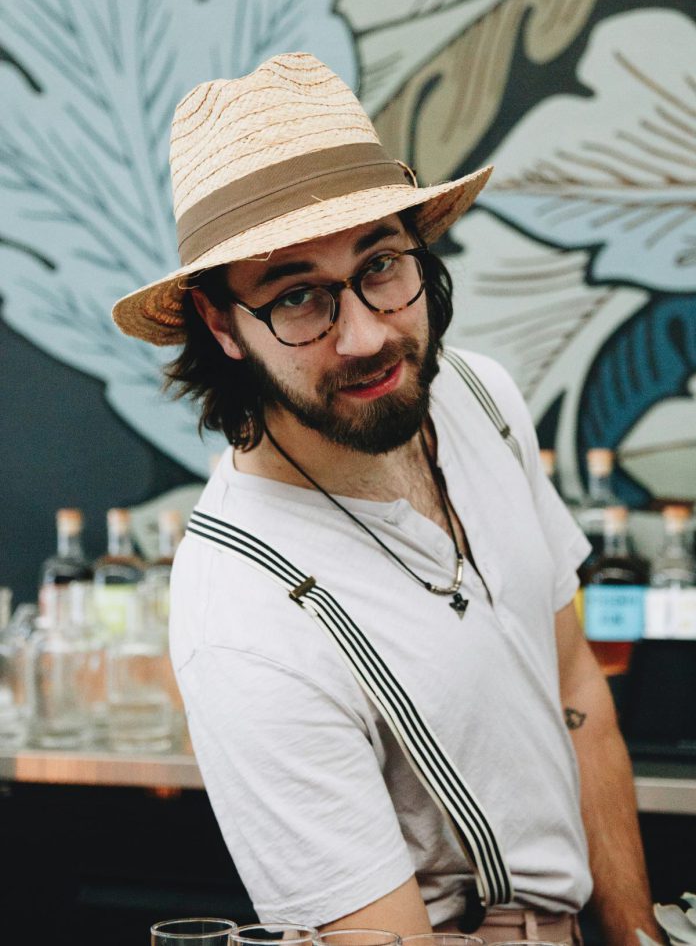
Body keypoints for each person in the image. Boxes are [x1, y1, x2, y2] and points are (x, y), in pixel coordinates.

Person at [113, 52, 660, 945]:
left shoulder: (481, 398)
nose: (366, 334)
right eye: (299, 298)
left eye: (381, 265)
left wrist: (635, 934)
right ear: (222, 325)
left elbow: (574, 686)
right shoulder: (246, 618)